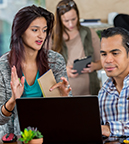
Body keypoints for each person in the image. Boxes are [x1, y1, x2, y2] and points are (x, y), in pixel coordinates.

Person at [0, 5, 72, 138]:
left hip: (51, 134)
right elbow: (0, 119)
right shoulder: (3, 66)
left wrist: (65, 97)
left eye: (44, 30)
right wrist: (12, 101)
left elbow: (68, 112)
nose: (41, 36)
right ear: (20, 31)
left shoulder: (55, 61)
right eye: (35, 30)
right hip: (16, 138)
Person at [99, 27, 129, 138]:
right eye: (104, 54)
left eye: (115, 53)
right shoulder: (103, 92)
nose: (108, 60)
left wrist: (110, 129)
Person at [52, 0, 102, 96]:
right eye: (66, 21)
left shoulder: (89, 33)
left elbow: (101, 62)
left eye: (74, 19)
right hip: (64, 95)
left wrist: (94, 66)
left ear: (78, 16)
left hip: (90, 93)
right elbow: (46, 67)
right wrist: (64, 70)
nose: (71, 24)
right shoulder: (53, 38)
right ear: (59, 20)